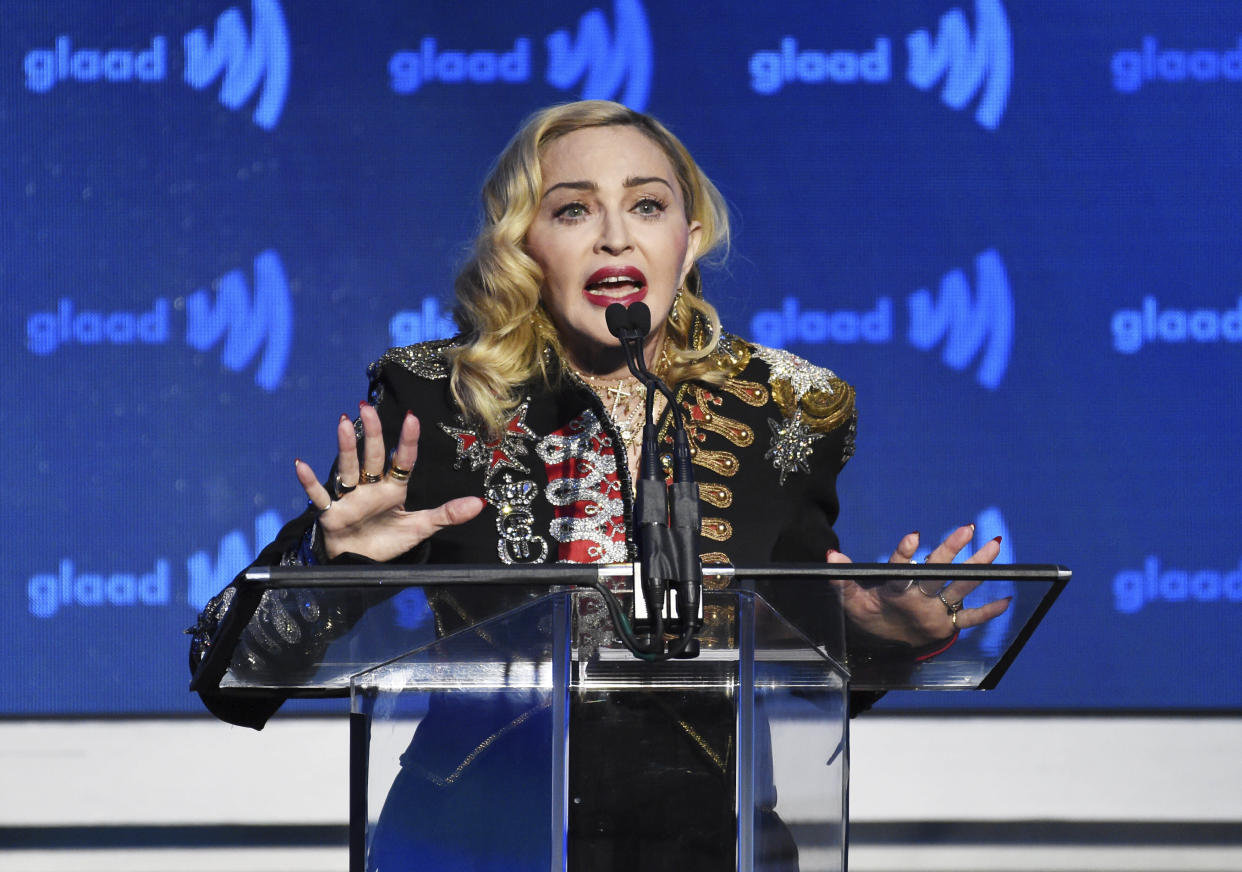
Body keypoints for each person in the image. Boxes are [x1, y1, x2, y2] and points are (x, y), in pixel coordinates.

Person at [189, 100, 1007, 870]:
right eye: (573, 209)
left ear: (687, 242)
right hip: (473, 839)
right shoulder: (438, 400)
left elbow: (800, 683)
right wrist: (328, 568)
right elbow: (222, 671)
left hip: (709, 845)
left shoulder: (785, 412)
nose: (616, 238)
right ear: (524, 245)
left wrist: (880, 640)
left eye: (647, 206)